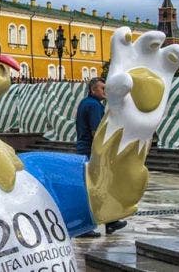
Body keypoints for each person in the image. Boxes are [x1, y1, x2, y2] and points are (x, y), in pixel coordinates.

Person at [74, 77, 127, 237]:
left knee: (97, 188)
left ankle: (110, 222)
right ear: (93, 90)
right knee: (95, 188)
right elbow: (97, 132)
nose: (105, 92)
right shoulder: (94, 106)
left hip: (85, 149)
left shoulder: (85, 103)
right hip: (93, 151)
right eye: (102, 88)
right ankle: (85, 226)